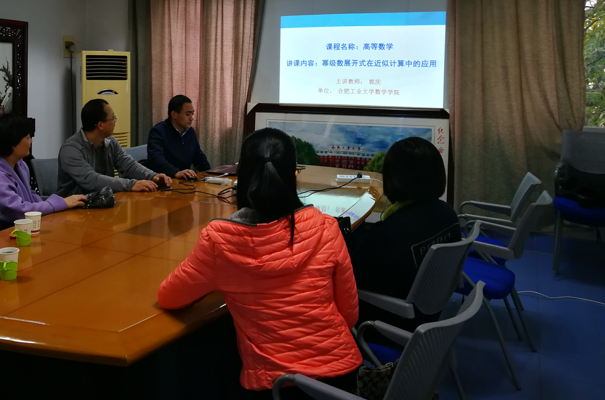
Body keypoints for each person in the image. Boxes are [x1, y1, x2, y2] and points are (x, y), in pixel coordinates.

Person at [158, 128, 361, 397]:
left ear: (241, 178)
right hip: (342, 377)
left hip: (277, 385)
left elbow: (169, 297)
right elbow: (349, 315)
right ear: (293, 175)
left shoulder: (220, 241)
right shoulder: (327, 227)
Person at [350, 136, 461, 331]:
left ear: (393, 179)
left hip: (392, 322)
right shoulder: (448, 214)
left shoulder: (389, 233)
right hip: (430, 311)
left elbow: (353, 277)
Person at [0, 113, 86, 232]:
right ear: (13, 144)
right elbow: (21, 211)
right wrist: (60, 203)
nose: (31, 141)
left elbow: (29, 196)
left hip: (15, 229)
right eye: (27, 138)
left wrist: (59, 203)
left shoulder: (20, 164)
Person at [57, 99, 171, 195]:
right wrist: (131, 184)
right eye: (113, 118)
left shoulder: (110, 142)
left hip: (102, 201)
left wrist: (153, 176)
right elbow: (92, 180)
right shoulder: (71, 149)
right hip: (72, 209)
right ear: (100, 125)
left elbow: (129, 165)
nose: (115, 122)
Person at [145, 94, 211, 179]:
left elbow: (198, 157)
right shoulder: (158, 131)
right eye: (188, 114)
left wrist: (210, 174)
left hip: (183, 180)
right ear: (174, 114)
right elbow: (156, 158)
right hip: (163, 179)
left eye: (192, 114)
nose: (191, 118)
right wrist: (175, 172)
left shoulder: (190, 131)